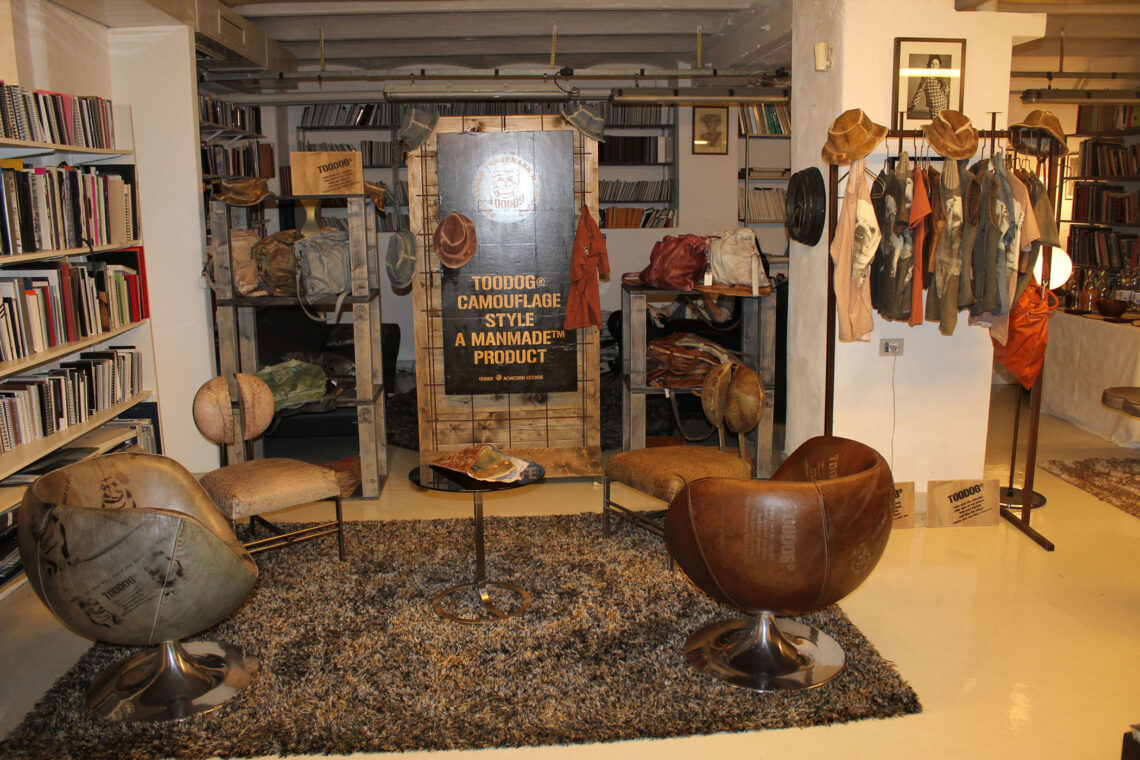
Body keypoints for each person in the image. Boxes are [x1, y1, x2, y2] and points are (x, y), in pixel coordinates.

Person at [908, 55, 950, 119]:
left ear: (939, 66)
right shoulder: (925, 77)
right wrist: (914, 104)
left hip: (943, 104)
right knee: (935, 122)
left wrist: (942, 81)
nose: (934, 66)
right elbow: (919, 90)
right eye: (932, 64)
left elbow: (946, 90)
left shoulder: (940, 75)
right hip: (934, 107)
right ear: (929, 65)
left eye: (936, 64)